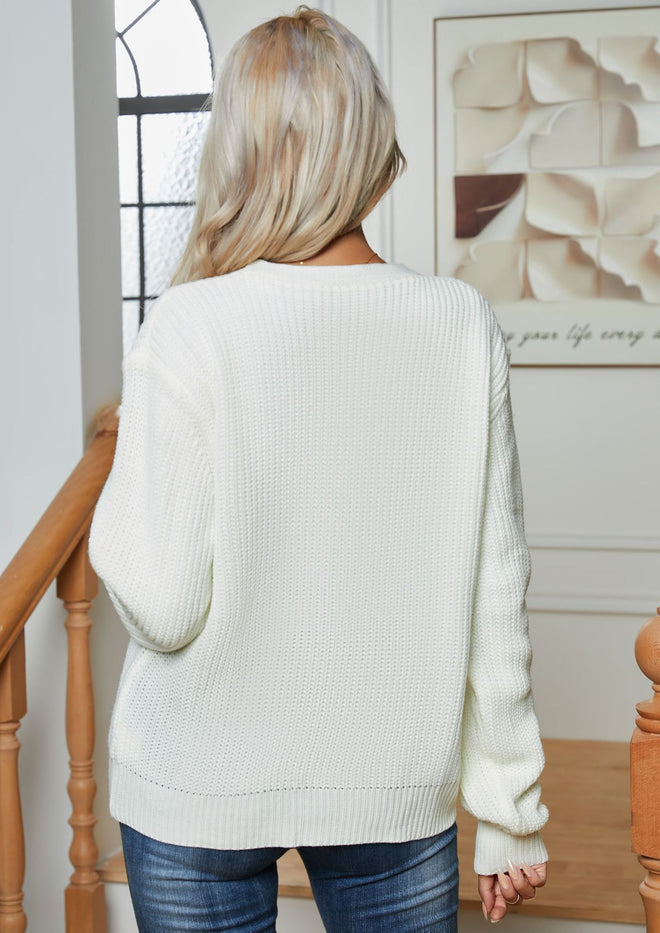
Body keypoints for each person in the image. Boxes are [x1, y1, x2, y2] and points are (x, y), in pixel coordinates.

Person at [87, 7, 549, 931]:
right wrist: (510, 813)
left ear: (240, 153)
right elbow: (497, 588)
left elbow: (162, 605)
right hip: (391, 781)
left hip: (194, 779)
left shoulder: (190, 325)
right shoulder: (460, 325)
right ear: (369, 142)